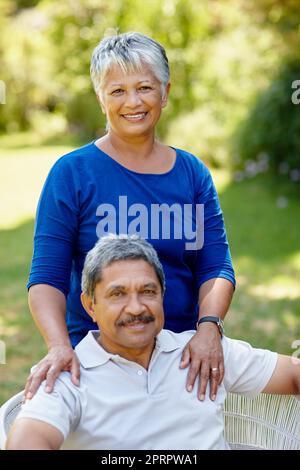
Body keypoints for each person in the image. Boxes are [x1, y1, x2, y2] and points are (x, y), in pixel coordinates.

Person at [25, 31, 236, 402]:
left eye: (144, 87)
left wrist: (208, 329)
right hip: (97, 360)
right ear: (101, 99)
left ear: (165, 92)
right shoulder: (72, 173)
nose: (133, 102)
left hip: (182, 356)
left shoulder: (192, 174)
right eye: (118, 90)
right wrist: (60, 346)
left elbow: (215, 265)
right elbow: (47, 277)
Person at [7, 235, 300, 450]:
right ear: (90, 305)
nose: (135, 308)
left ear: (163, 295)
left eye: (148, 291)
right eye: (117, 294)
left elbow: (293, 376)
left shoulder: (204, 352)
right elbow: (26, 441)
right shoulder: (68, 375)